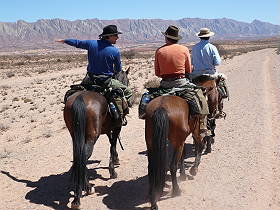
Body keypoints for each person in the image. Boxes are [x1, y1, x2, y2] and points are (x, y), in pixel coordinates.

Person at [55, 24, 133, 125]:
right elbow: (118, 70)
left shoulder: (91, 44)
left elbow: (77, 43)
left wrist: (65, 40)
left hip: (89, 79)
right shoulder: (115, 51)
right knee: (128, 91)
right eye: (115, 35)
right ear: (109, 36)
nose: (117, 37)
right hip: (106, 81)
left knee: (74, 92)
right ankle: (121, 116)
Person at [154, 25, 210, 138]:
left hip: (165, 84)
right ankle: (203, 126)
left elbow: (157, 73)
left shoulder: (159, 51)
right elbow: (188, 70)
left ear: (166, 37)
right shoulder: (184, 49)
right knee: (201, 98)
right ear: (177, 38)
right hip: (181, 83)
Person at [191, 28, 228, 116]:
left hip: (196, 75)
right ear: (209, 37)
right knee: (221, 83)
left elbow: (192, 62)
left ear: (200, 37)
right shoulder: (212, 47)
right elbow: (217, 62)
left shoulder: (194, 47)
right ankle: (219, 108)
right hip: (210, 74)